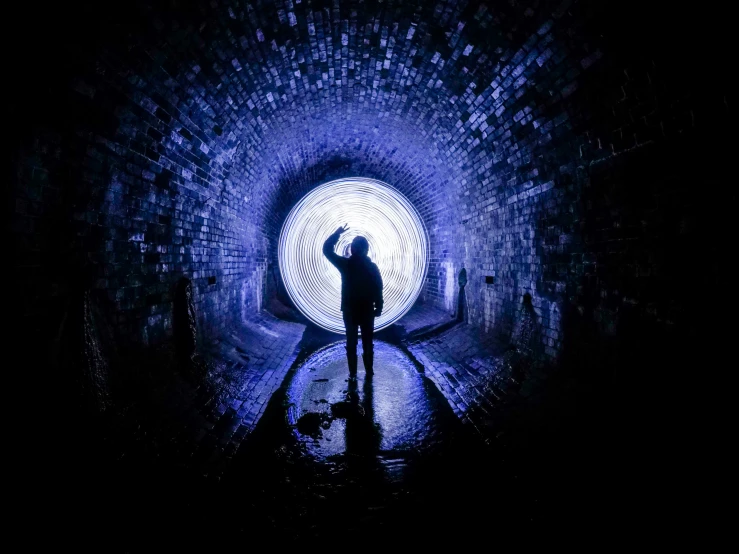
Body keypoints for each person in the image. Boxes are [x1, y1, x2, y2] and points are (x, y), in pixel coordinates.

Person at [323, 224, 383, 377]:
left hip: (349, 310)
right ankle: (369, 371)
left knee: (351, 343)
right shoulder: (372, 267)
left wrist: (337, 233)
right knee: (367, 342)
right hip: (367, 309)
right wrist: (379, 307)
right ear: (367, 250)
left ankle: (353, 374)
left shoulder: (346, 265)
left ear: (351, 249)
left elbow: (327, 250)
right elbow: (378, 287)